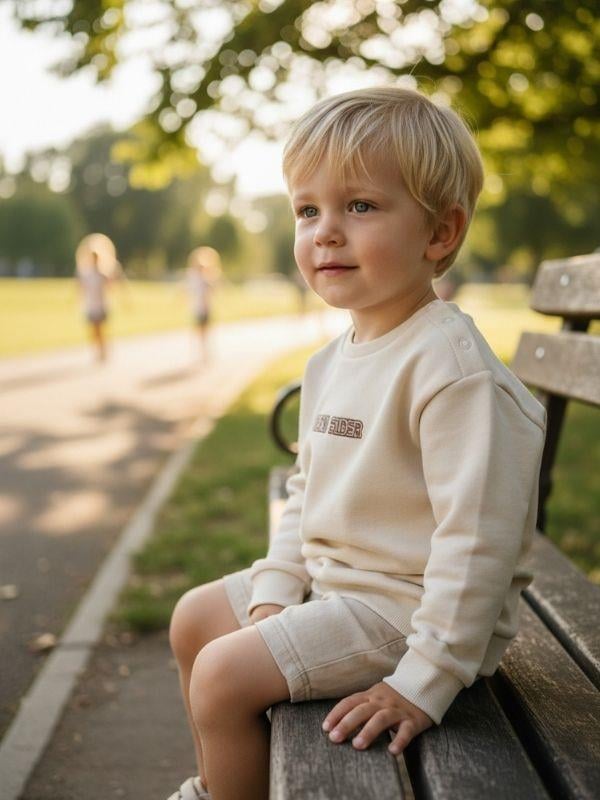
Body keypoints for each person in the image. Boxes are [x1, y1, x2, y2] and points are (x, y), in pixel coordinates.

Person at [166, 87, 546, 800]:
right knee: (194, 619)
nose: (325, 232)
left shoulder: (451, 370)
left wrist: (423, 681)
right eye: (308, 210)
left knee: (222, 675)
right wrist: (275, 593)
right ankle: (223, 781)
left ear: (439, 234)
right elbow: (307, 492)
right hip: (342, 582)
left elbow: (477, 543)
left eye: (360, 206)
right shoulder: (332, 360)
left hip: (410, 612)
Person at [185, 246, 221, 363]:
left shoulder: (207, 278)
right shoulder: (193, 277)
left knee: (205, 332)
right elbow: (187, 290)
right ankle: (200, 352)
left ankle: (205, 353)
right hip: (197, 308)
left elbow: (213, 290)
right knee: (199, 331)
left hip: (205, 309)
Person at [76, 249, 111, 362]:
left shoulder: (102, 274)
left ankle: (103, 350)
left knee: (100, 329)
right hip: (91, 305)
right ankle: (97, 351)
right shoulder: (87, 274)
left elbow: (109, 287)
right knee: (93, 331)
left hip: (101, 305)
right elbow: (81, 287)